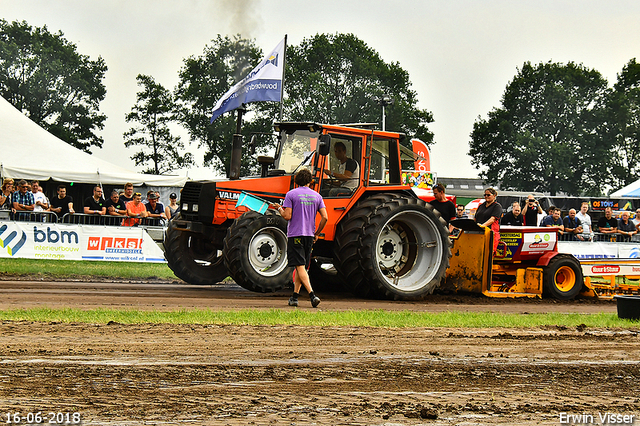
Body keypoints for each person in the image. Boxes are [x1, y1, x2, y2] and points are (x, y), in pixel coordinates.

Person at [270, 169, 328, 308]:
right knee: (301, 266)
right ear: (310, 181)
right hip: (309, 235)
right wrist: (317, 233)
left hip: (295, 235)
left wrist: (279, 209)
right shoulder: (317, 196)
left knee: (300, 265)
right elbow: (325, 217)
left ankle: (312, 295)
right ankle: (294, 297)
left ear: (296, 181)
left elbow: (287, 216)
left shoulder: (291, 194)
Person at [474, 187, 502, 253]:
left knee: (488, 253)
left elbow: (493, 219)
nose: (486, 196)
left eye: (488, 195)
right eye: (485, 195)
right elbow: (475, 218)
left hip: (490, 233)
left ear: (494, 195)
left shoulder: (497, 206)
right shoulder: (481, 206)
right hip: (479, 233)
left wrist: (482, 226)